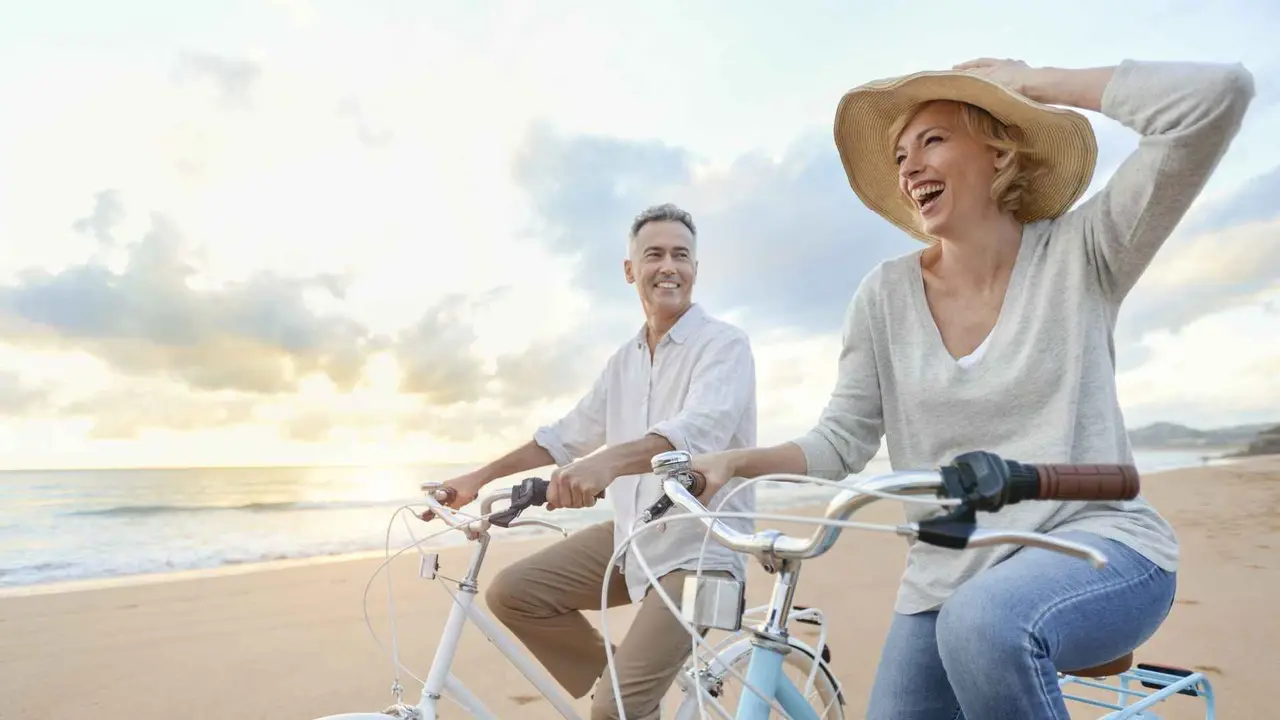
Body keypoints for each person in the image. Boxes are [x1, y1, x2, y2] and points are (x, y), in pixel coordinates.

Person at [686, 57, 1255, 719]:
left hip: (1098, 547)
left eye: (933, 140)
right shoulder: (883, 296)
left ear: (998, 151)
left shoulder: (1086, 252)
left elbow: (1217, 97)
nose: (908, 168)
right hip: (945, 578)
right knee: (959, 632)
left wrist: (1035, 84)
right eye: (901, 155)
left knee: (984, 625)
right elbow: (842, 439)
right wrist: (734, 462)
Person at [425, 202, 758, 720]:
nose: (669, 265)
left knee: (613, 711)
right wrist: (477, 478)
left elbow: (695, 432)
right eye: (654, 254)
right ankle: (628, 685)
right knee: (514, 593)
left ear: (695, 268)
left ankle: (624, 697)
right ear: (630, 270)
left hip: (702, 549)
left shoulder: (724, 346)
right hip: (635, 538)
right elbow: (565, 437)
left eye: (681, 255)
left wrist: (605, 465)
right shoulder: (624, 360)